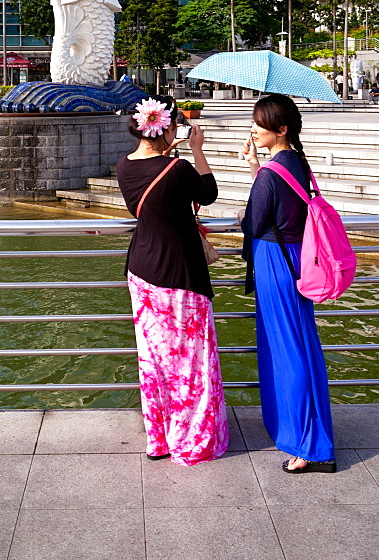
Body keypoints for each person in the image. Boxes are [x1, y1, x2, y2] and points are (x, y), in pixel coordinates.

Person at [116, 94, 229, 466]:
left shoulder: (123, 166)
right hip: (179, 271)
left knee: (154, 361)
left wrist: (168, 153)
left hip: (142, 272)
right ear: (168, 128)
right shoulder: (178, 168)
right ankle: (194, 442)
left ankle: (159, 440)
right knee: (191, 361)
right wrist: (195, 151)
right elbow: (208, 194)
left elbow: (154, 193)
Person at [239, 93, 335, 474]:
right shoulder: (298, 163)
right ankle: (313, 437)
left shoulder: (270, 174)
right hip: (298, 261)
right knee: (302, 346)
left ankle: (308, 446)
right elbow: (279, 208)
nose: (254, 129)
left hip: (276, 265)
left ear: (281, 129)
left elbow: (253, 224)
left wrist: (257, 177)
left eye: (260, 124)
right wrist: (256, 169)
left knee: (287, 352)